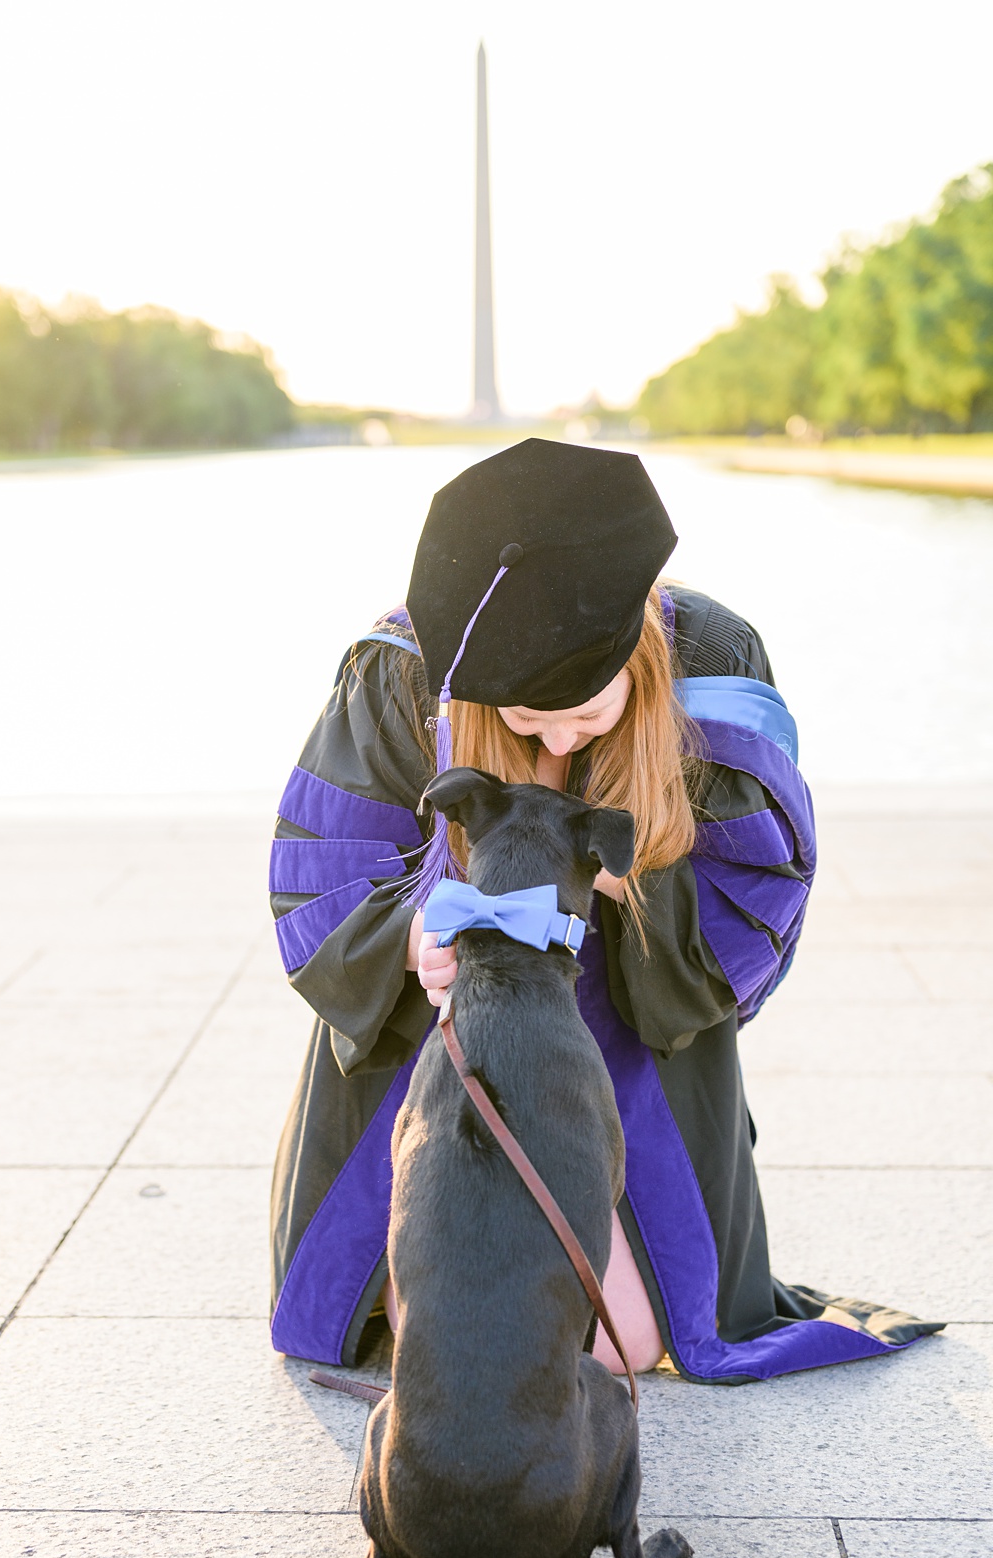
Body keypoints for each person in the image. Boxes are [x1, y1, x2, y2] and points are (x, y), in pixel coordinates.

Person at [266, 437, 940, 1383]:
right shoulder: (404, 666)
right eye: (524, 721)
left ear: (640, 658)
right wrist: (418, 938)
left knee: (628, 1344)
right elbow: (327, 876)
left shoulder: (714, 657)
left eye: (585, 716)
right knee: (422, 1321)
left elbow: (755, 897)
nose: (553, 738)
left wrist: (632, 888)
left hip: (629, 1013)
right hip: (440, 1020)